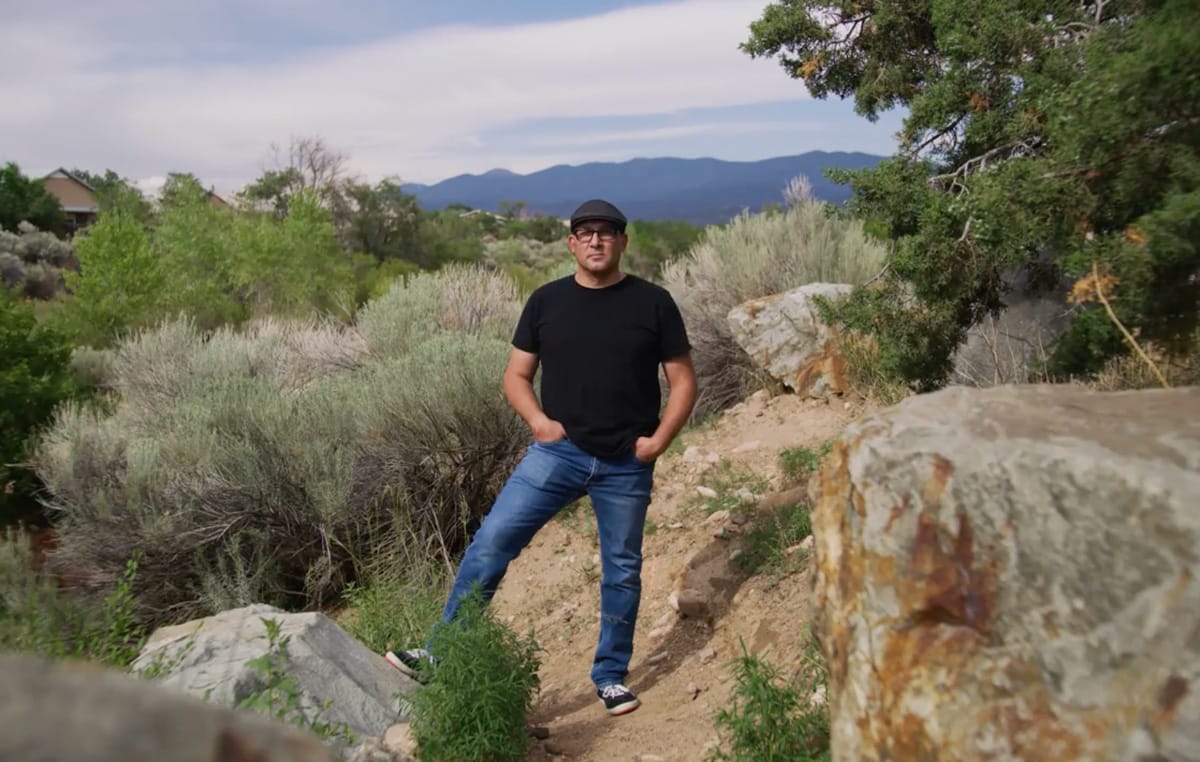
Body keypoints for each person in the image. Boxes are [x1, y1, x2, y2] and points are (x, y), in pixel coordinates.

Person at [386, 199, 697, 716]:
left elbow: (683, 381)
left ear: (623, 241)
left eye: (607, 232)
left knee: (622, 569)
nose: (596, 240)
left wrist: (659, 441)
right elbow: (515, 375)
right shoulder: (546, 301)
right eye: (586, 232)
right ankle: (442, 652)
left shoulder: (653, 303)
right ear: (571, 243)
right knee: (491, 544)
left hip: (626, 462)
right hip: (558, 454)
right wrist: (538, 422)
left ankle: (611, 676)